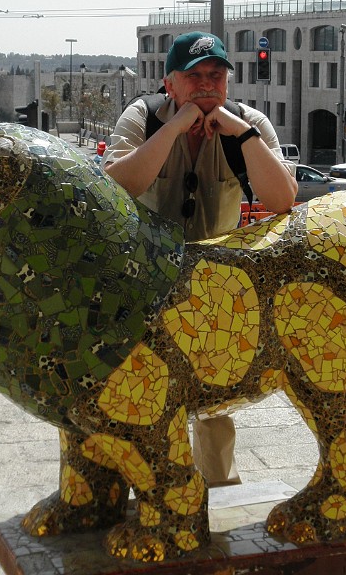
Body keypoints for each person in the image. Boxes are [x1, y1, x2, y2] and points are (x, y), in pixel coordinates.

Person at [104, 31, 297, 486]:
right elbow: (116, 187)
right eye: (194, 77)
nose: (207, 85)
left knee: (214, 399)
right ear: (170, 84)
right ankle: (148, 491)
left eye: (216, 75)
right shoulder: (144, 118)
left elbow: (283, 199)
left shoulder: (248, 123)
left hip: (215, 286)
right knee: (138, 390)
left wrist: (241, 134)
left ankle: (219, 490)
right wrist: (173, 129)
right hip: (145, 282)